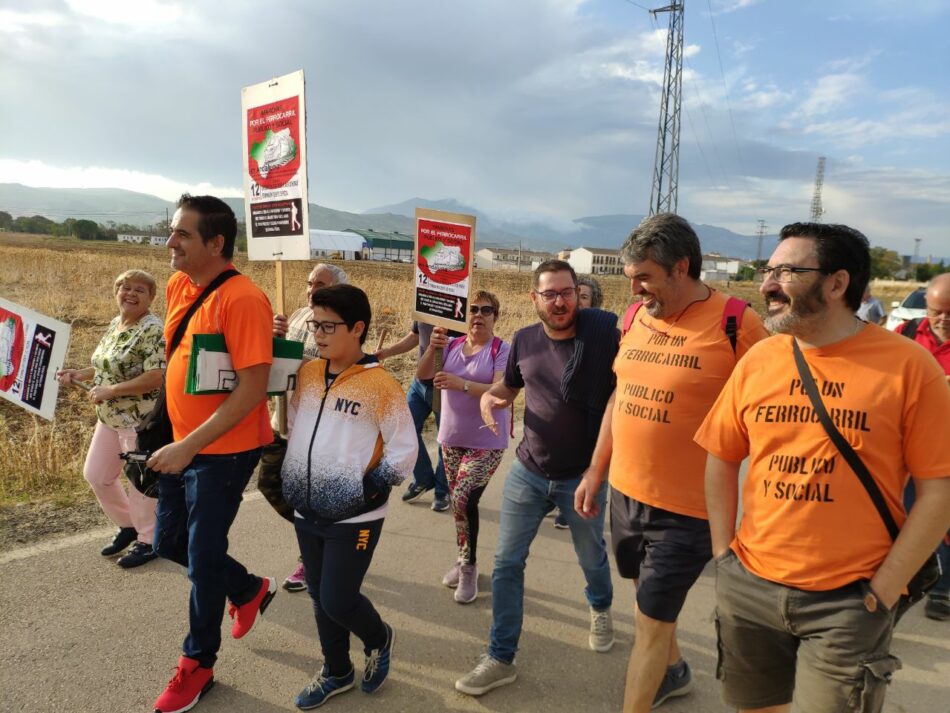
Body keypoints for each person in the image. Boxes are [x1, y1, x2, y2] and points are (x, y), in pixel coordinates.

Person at [695, 222, 950, 713]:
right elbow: (720, 455)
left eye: (787, 271)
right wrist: (723, 554)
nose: (768, 283)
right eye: (770, 269)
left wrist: (887, 585)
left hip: (850, 601)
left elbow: (938, 491)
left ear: (836, 283)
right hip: (749, 585)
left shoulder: (909, 367)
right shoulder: (759, 360)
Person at [575, 214, 768, 712]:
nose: (634, 287)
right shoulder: (636, 317)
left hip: (689, 510)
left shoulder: (736, 322)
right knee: (646, 603)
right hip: (626, 493)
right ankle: (676, 671)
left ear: (681, 267)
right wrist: (597, 471)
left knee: (648, 625)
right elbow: (623, 394)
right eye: (630, 276)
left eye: (644, 276)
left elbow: (773, 402)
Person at [455, 259, 616, 696]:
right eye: (550, 294)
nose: (560, 301)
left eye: (567, 292)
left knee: (591, 555)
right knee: (507, 563)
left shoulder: (603, 332)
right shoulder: (524, 340)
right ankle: (500, 657)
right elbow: (509, 387)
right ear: (535, 299)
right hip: (529, 471)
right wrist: (491, 400)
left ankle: (600, 607)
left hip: (583, 477)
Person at [149, 194, 277, 713]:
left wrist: (188, 445)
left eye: (182, 233)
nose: (170, 241)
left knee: (201, 559)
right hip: (182, 443)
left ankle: (197, 663)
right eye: (172, 230)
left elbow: (252, 390)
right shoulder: (182, 284)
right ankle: (247, 588)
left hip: (222, 453)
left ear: (216, 242)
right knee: (168, 542)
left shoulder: (243, 299)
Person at [281, 284, 417, 709]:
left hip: (356, 516)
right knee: (321, 597)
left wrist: (368, 488)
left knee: (338, 597)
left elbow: (404, 449)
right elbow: (288, 425)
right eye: (314, 324)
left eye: (328, 326)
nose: (317, 333)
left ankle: (379, 637)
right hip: (306, 508)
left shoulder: (380, 386)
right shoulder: (304, 373)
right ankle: (336, 670)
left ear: (357, 328)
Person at [55, 269, 166, 568]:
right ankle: (128, 525)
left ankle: (148, 540)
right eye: (125, 287)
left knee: (140, 483)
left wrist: (112, 390)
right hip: (109, 417)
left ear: (151, 297)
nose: (130, 293)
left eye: (139, 290)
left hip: (138, 419)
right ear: (116, 292)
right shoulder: (116, 324)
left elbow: (157, 376)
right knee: (97, 475)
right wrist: (80, 374)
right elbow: (104, 365)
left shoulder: (153, 330)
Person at [417, 291, 511, 604]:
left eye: (487, 310)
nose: (479, 315)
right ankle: (463, 558)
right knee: (461, 507)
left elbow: (500, 390)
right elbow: (423, 375)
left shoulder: (501, 349)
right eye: (473, 310)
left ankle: (469, 567)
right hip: (451, 437)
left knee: (462, 497)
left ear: (495, 317)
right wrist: (432, 347)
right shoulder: (451, 346)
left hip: (486, 440)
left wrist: (462, 385)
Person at [264, 262, 349, 593]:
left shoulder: (342, 325)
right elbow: (273, 359)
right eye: (310, 282)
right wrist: (274, 337)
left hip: (319, 429)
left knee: (308, 498)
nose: (312, 288)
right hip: (283, 420)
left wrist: (298, 362)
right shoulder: (298, 315)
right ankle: (327, 536)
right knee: (270, 482)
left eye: (321, 283)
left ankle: (311, 555)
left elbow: (341, 370)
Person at [896, 272, 950, 620]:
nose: (943, 320)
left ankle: (943, 591)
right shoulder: (905, 334)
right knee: (904, 515)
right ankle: (903, 581)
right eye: (936, 312)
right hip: (910, 448)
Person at [377, 321, 461, 512]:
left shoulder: (458, 311)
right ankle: (423, 479)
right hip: (419, 383)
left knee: (445, 440)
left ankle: (442, 491)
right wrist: (388, 352)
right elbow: (416, 335)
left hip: (446, 386)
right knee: (402, 429)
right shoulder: (425, 303)